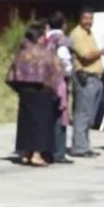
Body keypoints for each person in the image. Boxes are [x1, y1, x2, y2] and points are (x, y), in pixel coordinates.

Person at [8, 24, 64, 166]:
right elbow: (56, 70)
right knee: (41, 123)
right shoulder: (44, 52)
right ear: (39, 37)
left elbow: (12, 73)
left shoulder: (21, 52)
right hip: (41, 91)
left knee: (26, 123)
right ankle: (37, 154)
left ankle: (26, 153)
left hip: (25, 90)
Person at [68, 7, 104, 158]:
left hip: (96, 78)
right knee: (82, 114)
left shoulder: (90, 34)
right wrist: (101, 52)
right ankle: (79, 147)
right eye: (86, 18)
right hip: (85, 78)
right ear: (80, 19)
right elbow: (85, 55)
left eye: (91, 19)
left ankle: (85, 145)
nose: (89, 22)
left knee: (90, 115)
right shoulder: (77, 34)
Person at [45, 12, 74, 164]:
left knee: (47, 116)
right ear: (63, 24)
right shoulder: (62, 41)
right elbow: (66, 64)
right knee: (60, 117)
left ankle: (45, 150)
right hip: (59, 83)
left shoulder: (43, 39)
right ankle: (58, 152)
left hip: (43, 83)